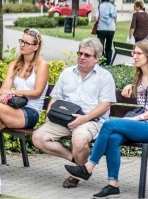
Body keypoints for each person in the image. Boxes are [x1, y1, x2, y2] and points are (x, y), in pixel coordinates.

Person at [65, 40, 148, 199]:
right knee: (113, 138)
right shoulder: (140, 75)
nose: (134, 56)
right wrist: (131, 86)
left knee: (108, 125)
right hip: (141, 125)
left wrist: (137, 118)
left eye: (139, 53)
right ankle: (112, 185)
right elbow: (147, 94)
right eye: (133, 53)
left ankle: (88, 167)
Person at [31, 38, 116, 188]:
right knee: (38, 138)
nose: (82, 57)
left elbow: (105, 104)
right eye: (80, 53)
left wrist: (84, 119)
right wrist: (49, 115)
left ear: (97, 58)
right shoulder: (67, 73)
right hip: (63, 119)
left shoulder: (104, 77)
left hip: (90, 120)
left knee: (79, 141)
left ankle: (75, 175)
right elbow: (56, 97)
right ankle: (79, 165)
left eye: (87, 55)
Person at [94, 0, 117, 64]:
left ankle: (102, 61)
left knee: (100, 45)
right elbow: (115, 19)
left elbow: (96, 18)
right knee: (109, 45)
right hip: (111, 29)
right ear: (109, 0)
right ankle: (108, 61)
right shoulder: (113, 6)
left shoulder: (99, 6)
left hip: (101, 28)